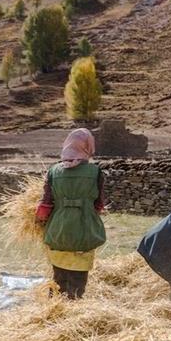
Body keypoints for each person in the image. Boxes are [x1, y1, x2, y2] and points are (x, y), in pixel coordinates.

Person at [35, 128, 106, 299]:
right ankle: (74, 303)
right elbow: (99, 203)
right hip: (84, 228)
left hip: (58, 229)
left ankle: (55, 306)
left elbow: (45, 204)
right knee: (78, 276)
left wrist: (39, 221)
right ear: (88, 146)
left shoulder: (54, 171)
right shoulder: (95, 172)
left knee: (58, 275)